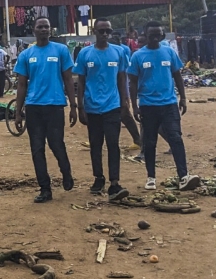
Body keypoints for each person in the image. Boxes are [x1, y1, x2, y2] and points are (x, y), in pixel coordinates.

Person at [128, 21, 200, 192]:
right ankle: (151, 177)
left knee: (175, 138)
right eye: (151, 34)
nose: (155, 37)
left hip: (169, 104)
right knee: (150, 142)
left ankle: (183, 176)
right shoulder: (137, 56)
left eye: (158, 34)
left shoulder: (169, 52)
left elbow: (177, 76)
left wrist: (183, 98)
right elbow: (132, 83)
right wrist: (134, 106)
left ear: (162, 35)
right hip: (148, 106)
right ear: (145, 34)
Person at [14, 17, 78, 203]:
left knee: (56, 144)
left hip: (55, 105)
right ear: (34, 30)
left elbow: (68, 80)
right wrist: (18, 113)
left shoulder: (61, 50)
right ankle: (45, 188)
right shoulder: (26, 54)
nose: (43, 30)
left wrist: (73, 106)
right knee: (37, 148)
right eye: (40, 27)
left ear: (51, 30)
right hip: (34, 107)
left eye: (46, 27)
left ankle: (66, 172)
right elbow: (21, 85)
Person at [75, 20, 130, 202]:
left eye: (108, 30)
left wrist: (125, 101)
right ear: (94, 31)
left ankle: (114, 182)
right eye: (101, 31)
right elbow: (80, 81)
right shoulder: (85, 54)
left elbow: (122, 78)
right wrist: (80, 106)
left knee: (113, 144)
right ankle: (98, 178)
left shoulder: (119, 52)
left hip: (112, 106)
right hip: (91, 107)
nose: (105, 34)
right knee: (95, 144)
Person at [108, 33, 142, 150]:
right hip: (106, 93)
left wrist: (126, 96)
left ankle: (138, 140)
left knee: (125, 115)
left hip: (118, 92)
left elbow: (124, 78)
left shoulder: (121, 54)